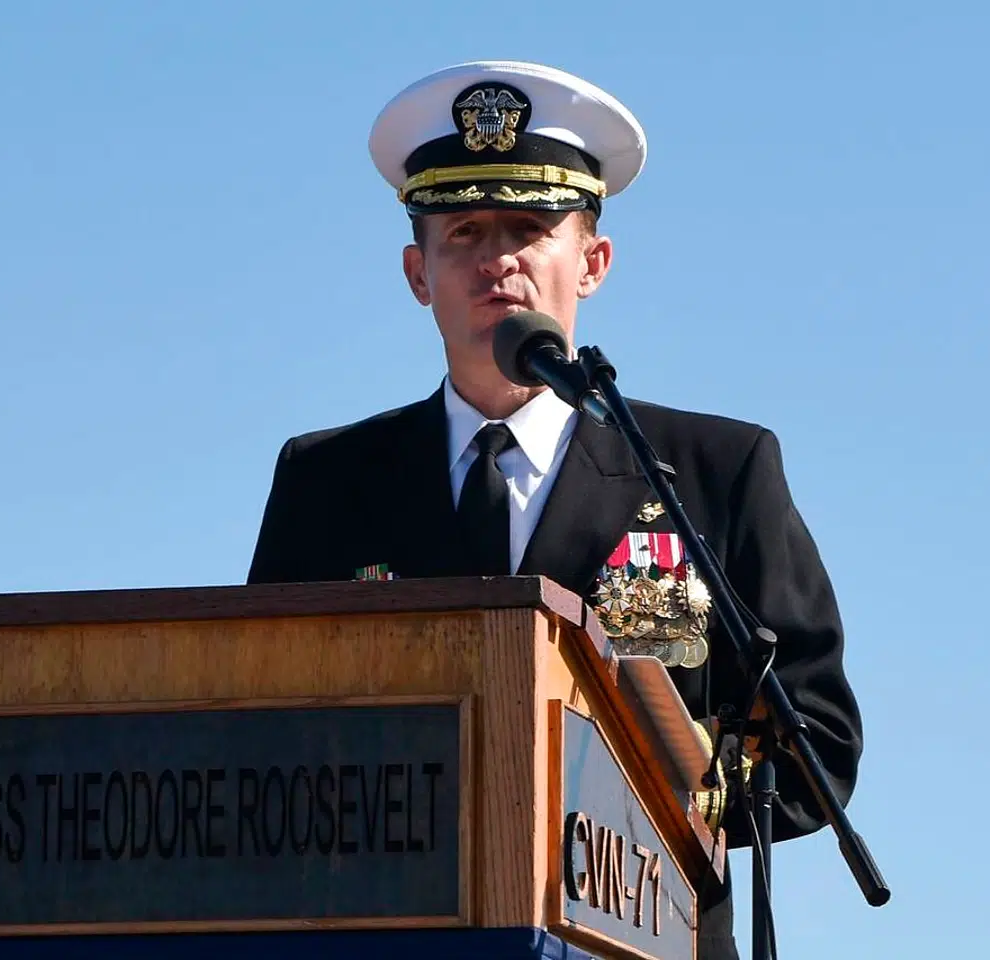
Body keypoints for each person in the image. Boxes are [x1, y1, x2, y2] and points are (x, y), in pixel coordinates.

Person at [247, 60, 862, 960]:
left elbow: (819, 743)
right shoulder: (327, 481)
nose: (497, 259)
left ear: (594, 261)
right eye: (462, 232)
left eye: (531, 228)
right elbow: (260, 725)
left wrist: (679, 787)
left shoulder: (715, 474)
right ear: (418, 273)